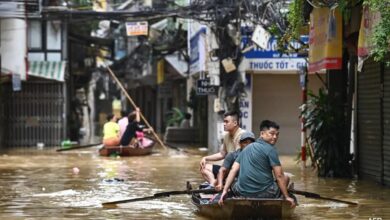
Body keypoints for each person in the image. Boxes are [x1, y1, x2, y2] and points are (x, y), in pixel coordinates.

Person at [218, 120, 296, 208]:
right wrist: (287, 197)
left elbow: (233, 170)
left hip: (241, 192)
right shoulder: (271, 150)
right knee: (285, 176)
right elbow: (279, 176)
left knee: (235, 181)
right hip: (266, 194)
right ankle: (280, 199)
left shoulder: (245, 149)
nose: (275, 137)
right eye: (272, 133)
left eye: (277, 134)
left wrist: (225, 190)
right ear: (262, 133)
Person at [199, 111, 244, 187]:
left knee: (223, 170)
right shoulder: (227, 136)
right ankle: (214, 184)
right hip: (227, 168)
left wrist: (222, 171)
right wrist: (205, 158)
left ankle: (217, 183)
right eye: (224, 121)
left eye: (227, 122)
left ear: (235, 123)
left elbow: (237, 158)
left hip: (238, 170)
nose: (224, 124)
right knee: (204, 168)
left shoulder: (242, 135)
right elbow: (222, 154)